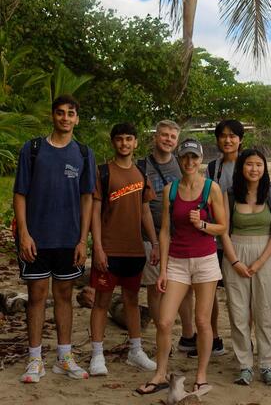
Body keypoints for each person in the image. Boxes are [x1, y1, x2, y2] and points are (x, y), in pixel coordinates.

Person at [15, 95, 96, 383]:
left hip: (68, 239)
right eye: (60, 113)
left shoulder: (84, 154)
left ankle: (64, 357)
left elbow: (87, 198)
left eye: (70, 113)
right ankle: (35, 359)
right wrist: (23, 232)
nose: (65, 118)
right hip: (36, 239)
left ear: (77, 118)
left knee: (64, 297)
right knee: (36, 297)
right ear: (53, 116)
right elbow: (20, 193)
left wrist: (82, 240)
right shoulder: (33, 149)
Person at [136, 139, 227, 396]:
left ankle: (200, 376)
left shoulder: (212, 188)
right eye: (185, 158)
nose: (189, 162)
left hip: (205, 261)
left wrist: (203, 225)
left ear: (201, 160)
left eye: (194, 158)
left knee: (202, 320)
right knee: (164, 321)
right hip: (177, 260)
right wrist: (163, 269)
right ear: (179, 159)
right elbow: (165, 231)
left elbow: (222, 227)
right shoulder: (170, 190)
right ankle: (160, 374)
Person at [88, 123, 158, 376]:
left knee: (132, 301)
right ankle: (97, 355)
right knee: (101, 302)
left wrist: (155, 243)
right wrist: (97, 246)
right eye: (120, 139)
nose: (124, 144)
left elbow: (145, 211)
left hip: (135, 250)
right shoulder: (103, 172)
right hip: (108, 248)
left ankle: (135, 351)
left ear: (136, 142)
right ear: (113, 142)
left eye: (129, 139)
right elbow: (94, 211)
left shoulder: (141, 173)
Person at [221, 149, 271, 386]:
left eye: (259, 164)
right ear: (241, 167)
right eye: (249, 164)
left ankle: (267, 365)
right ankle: (245, 365)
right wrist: (235, 261)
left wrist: (260, 261)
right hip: (235, 251)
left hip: (264, 253)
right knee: (238, 313)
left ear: (264, 168)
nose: (254, 169)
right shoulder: (229, 195)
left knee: (263, 312)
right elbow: (224, 231)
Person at [138, 120, 196, 352]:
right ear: (155, 137)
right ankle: (163, 338)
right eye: (164, 135)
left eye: (172, 137)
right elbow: (141, 208)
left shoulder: (182, 164)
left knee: (185, 287)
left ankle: (188, 335)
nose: (168, 140)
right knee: (155, 287)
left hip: (179, 236)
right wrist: (153, 242)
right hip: (149, 236)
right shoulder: (141, 166)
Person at [196, 119, 245, 357]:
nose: (228, 140)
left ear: (240, 139)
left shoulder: (249, 165)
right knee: (211, 290)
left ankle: (245, 340)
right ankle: (213, 337)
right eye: (223, 136)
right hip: (214, 238)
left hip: (241, 237)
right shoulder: (213, 167)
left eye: (232, 136)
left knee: (242, 293)